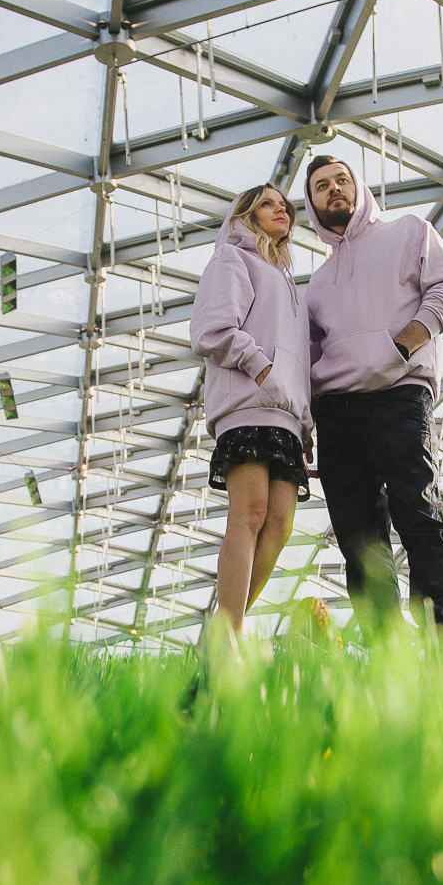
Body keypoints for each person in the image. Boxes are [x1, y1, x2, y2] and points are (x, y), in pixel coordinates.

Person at [302, 154, 443, 632]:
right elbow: (309, 357)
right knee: (359, 539)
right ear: (312, 205)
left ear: (358, 187)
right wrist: (306, 425)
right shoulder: (316, 285)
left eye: (341, 180)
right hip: (336, 412)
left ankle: (440, 640)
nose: (334, 189)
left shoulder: (409, 232)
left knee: (419, 513)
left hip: (399, 394)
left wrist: (400, 348)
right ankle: (386, 655)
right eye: (321, 186)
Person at [189, 183, 313, 639]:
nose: (281, 210)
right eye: (267, 204)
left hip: (287, 416)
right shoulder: (232, 259)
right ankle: (230, 637)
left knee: (279, 524)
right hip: (247, 404)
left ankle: (218, 633)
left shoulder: (289, 284)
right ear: (246, 215)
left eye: (285, 206)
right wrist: (261, 368)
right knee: (251, 512)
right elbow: (212, 328)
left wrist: (306, 423)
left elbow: (301, 362)